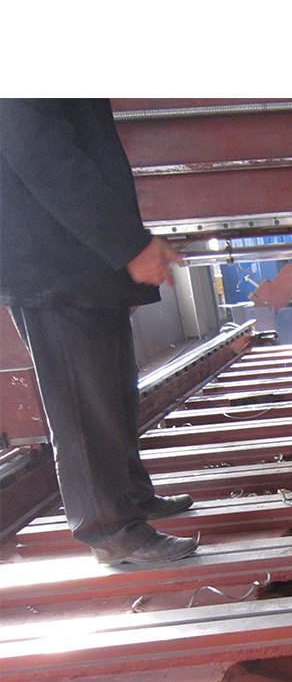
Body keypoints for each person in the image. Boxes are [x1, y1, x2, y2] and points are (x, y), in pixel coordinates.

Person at [0, 98, 199, 565]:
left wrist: (121, 262)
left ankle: (131, 498)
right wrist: (129, 246)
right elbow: (45, 158)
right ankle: (109, 530)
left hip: (81, 262)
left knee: (112, 392)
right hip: (51, 266)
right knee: (83, 405)